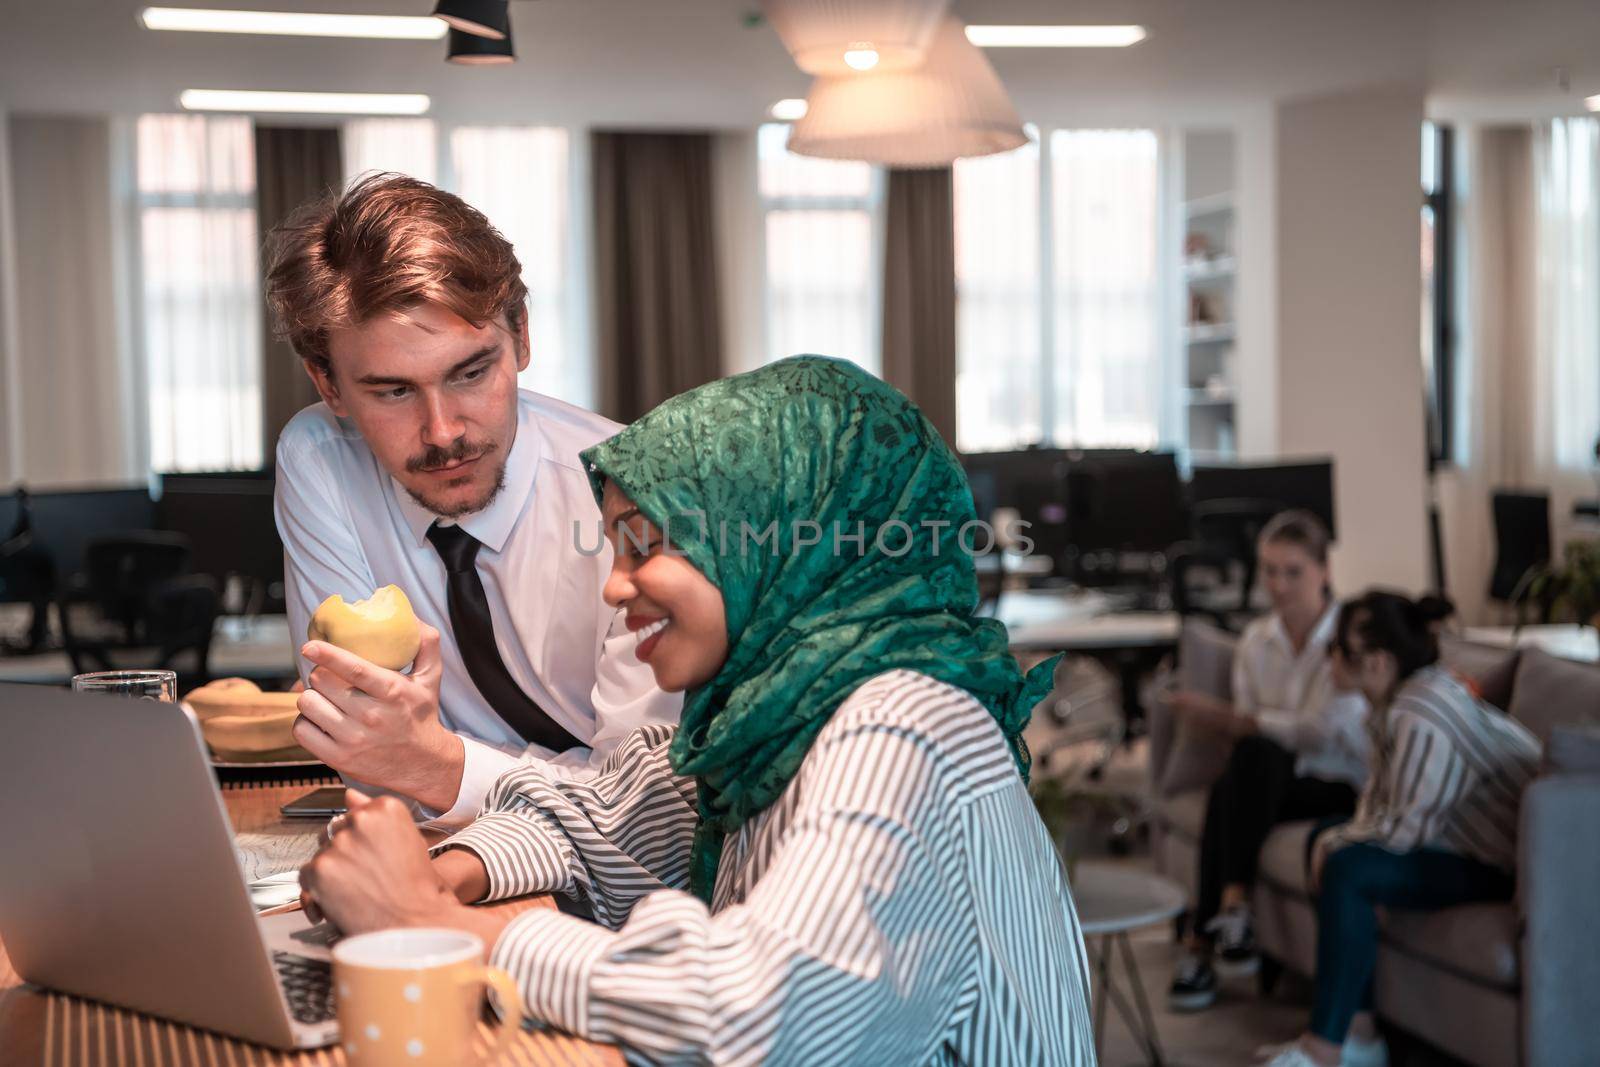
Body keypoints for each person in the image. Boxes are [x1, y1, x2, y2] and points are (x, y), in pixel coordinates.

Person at [297, 356, 1097, 1064]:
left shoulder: (907, 723)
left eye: (647, 544)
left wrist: (429, 920)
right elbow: (613, 809)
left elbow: (756, 1012)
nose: (614, 583)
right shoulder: (773, 715)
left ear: (776, 540)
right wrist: (438, 871)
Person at [263, 173, 678, 827]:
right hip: (445, 851)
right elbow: (365, 746)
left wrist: (437, 764)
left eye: (471, 371)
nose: (444, 432)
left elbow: (642, 807)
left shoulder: (636, 494)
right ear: (330, 385)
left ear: (521, 335)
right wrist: (418, 763)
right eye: (393, 391)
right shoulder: (321, 460)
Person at [1262, 591, 1541, 1067]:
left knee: (1346, 865)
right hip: (1454, 842)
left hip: (1499, 865)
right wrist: (1333, 839)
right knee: (1326, 837)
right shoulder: (1396, 703)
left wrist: (1337, 846)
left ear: (1377, 662)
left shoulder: (1422, 710)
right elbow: (1380, 805)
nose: (1329, 659)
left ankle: (1323, 1048)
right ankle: (1361, 1034)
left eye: (1339, 651)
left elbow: (1405, 829)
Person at [1167, 511, 1369, 1011]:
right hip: (1268, 782)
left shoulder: (1351, 638)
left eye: (1293, 571)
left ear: (1324, 570)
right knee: (1249, 767)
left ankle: (1201, 947)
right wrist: (1256, 726)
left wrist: (1252, 723)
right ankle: (1232, 913)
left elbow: (1323, 730)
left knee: (1248, 763)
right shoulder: (1256, 641)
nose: (1278, 585)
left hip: (1335, 782)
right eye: (1269, 570)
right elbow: (1265, 724)